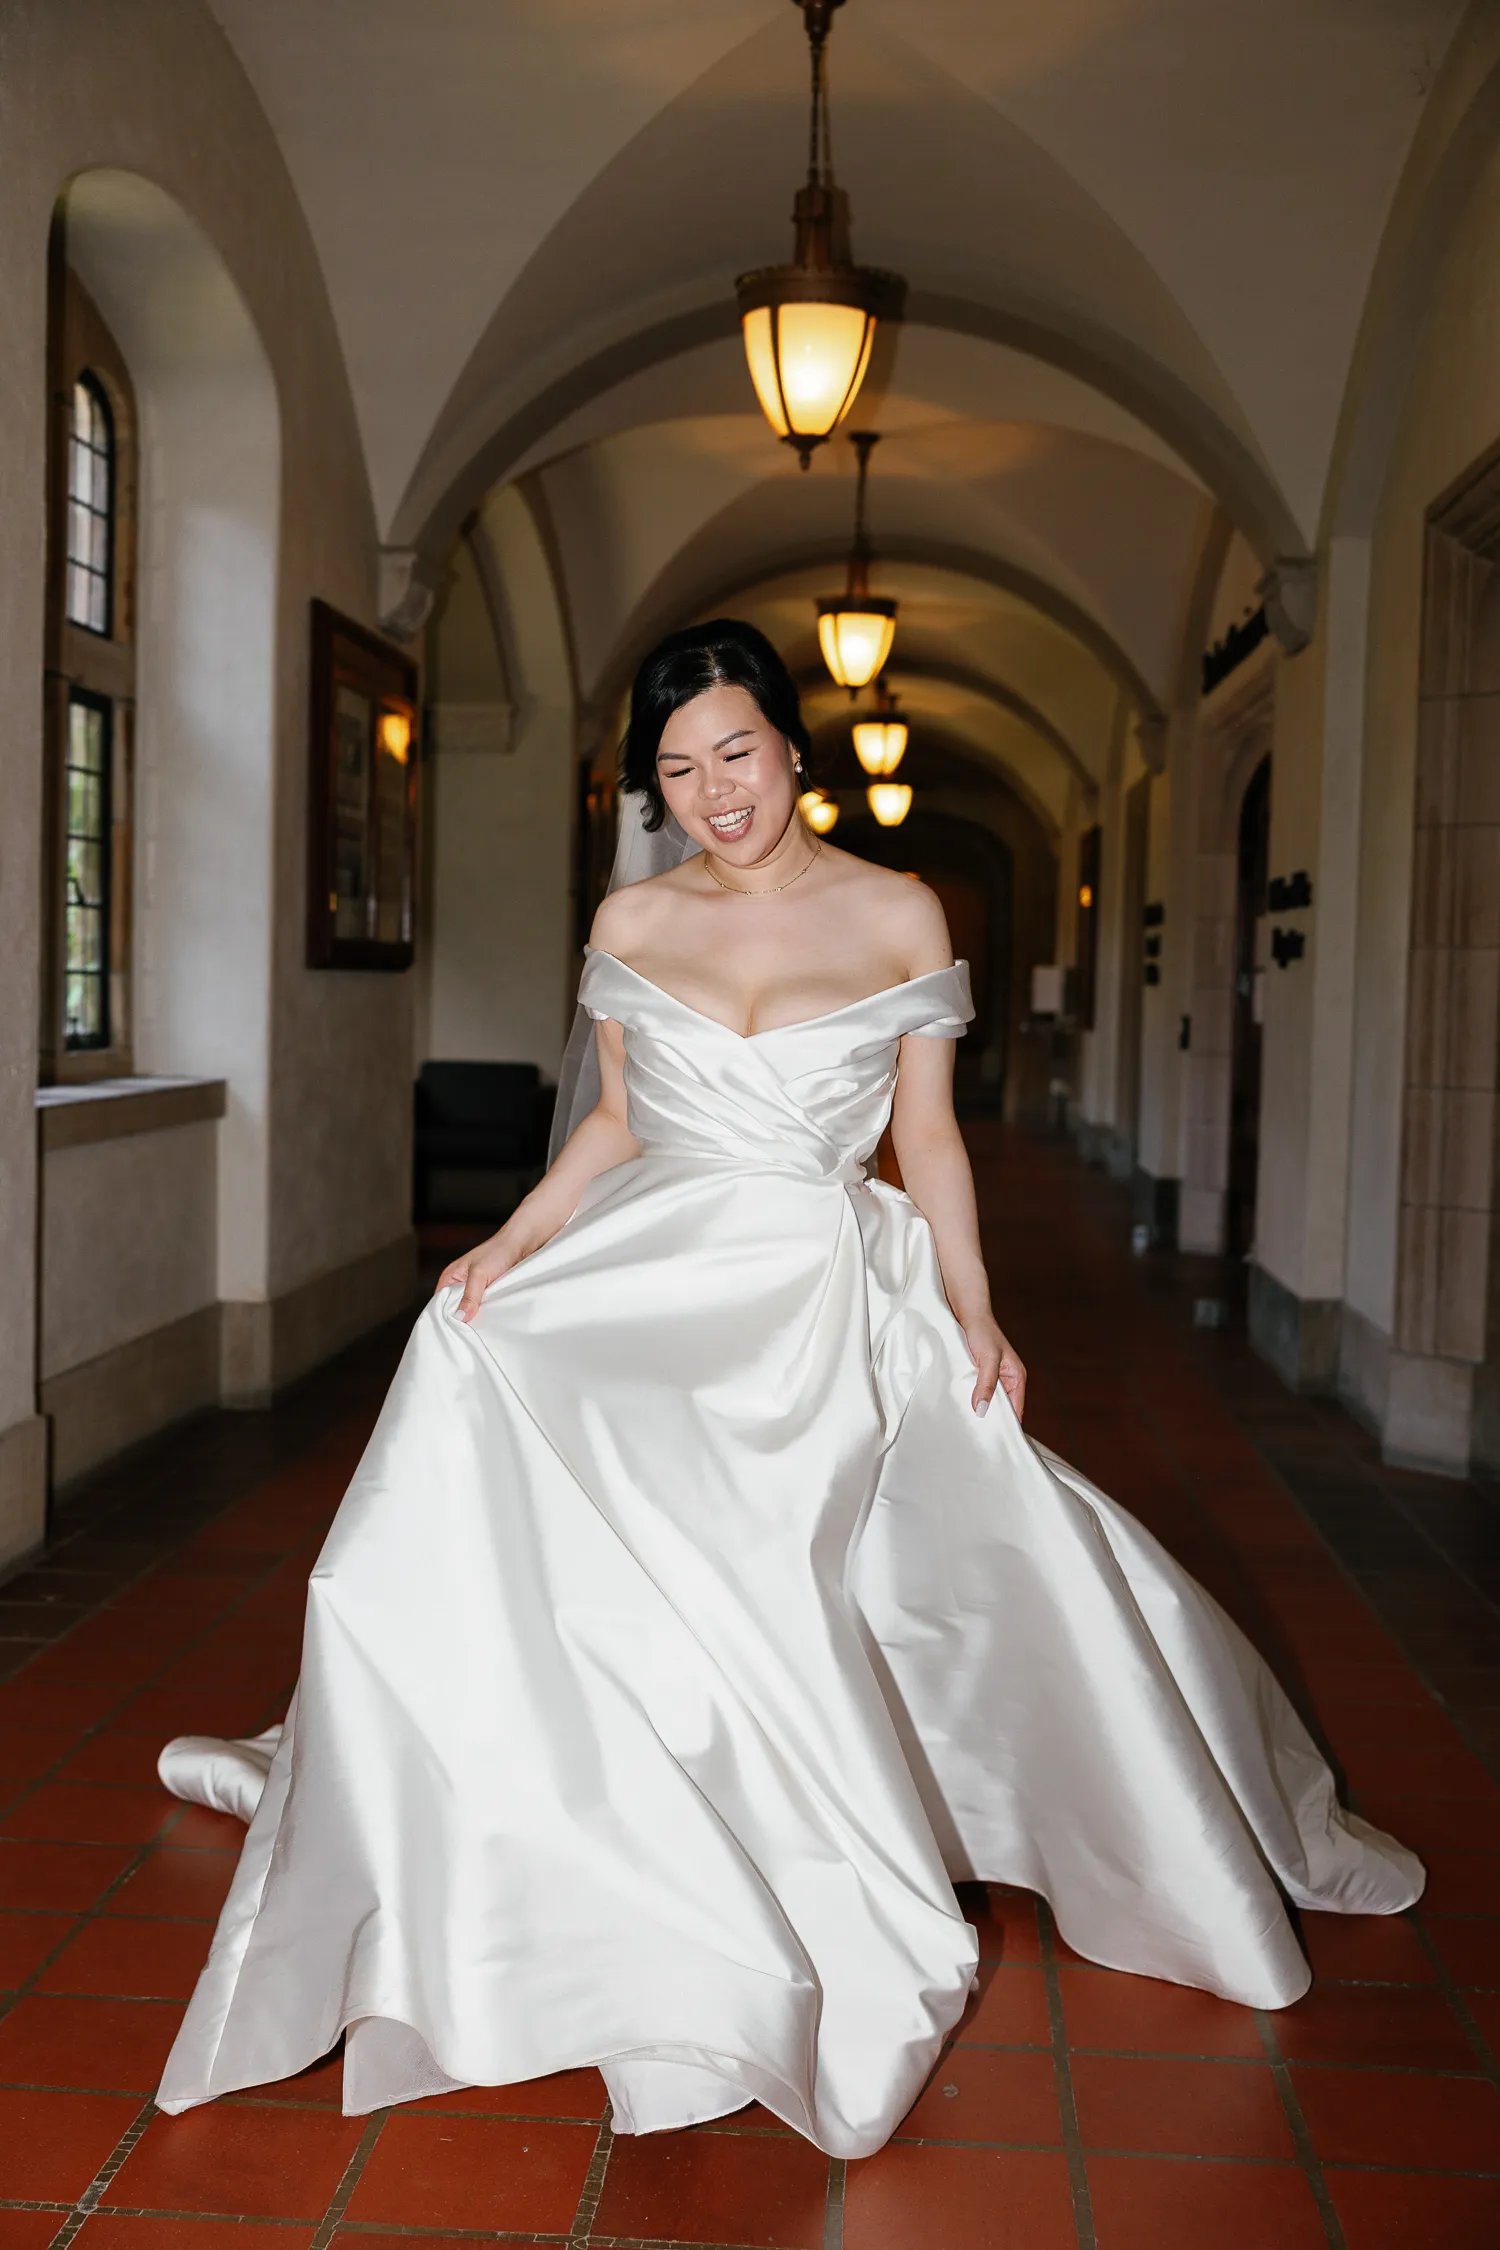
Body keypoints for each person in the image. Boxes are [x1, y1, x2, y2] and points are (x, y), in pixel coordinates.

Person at [155, 619, 1421, 2158]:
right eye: (680, 771)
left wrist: (975, 1308)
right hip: (644, 1267)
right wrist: (505, 1242)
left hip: (811, 1287)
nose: (714, 794)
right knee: (468, 1361)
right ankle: (568, 1817)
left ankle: (791, 1852)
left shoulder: (898, 909)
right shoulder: (634, 909)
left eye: (735, 753)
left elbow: (930, 1139)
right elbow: (617, 1121)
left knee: (777, 1559)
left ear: (792, 747)